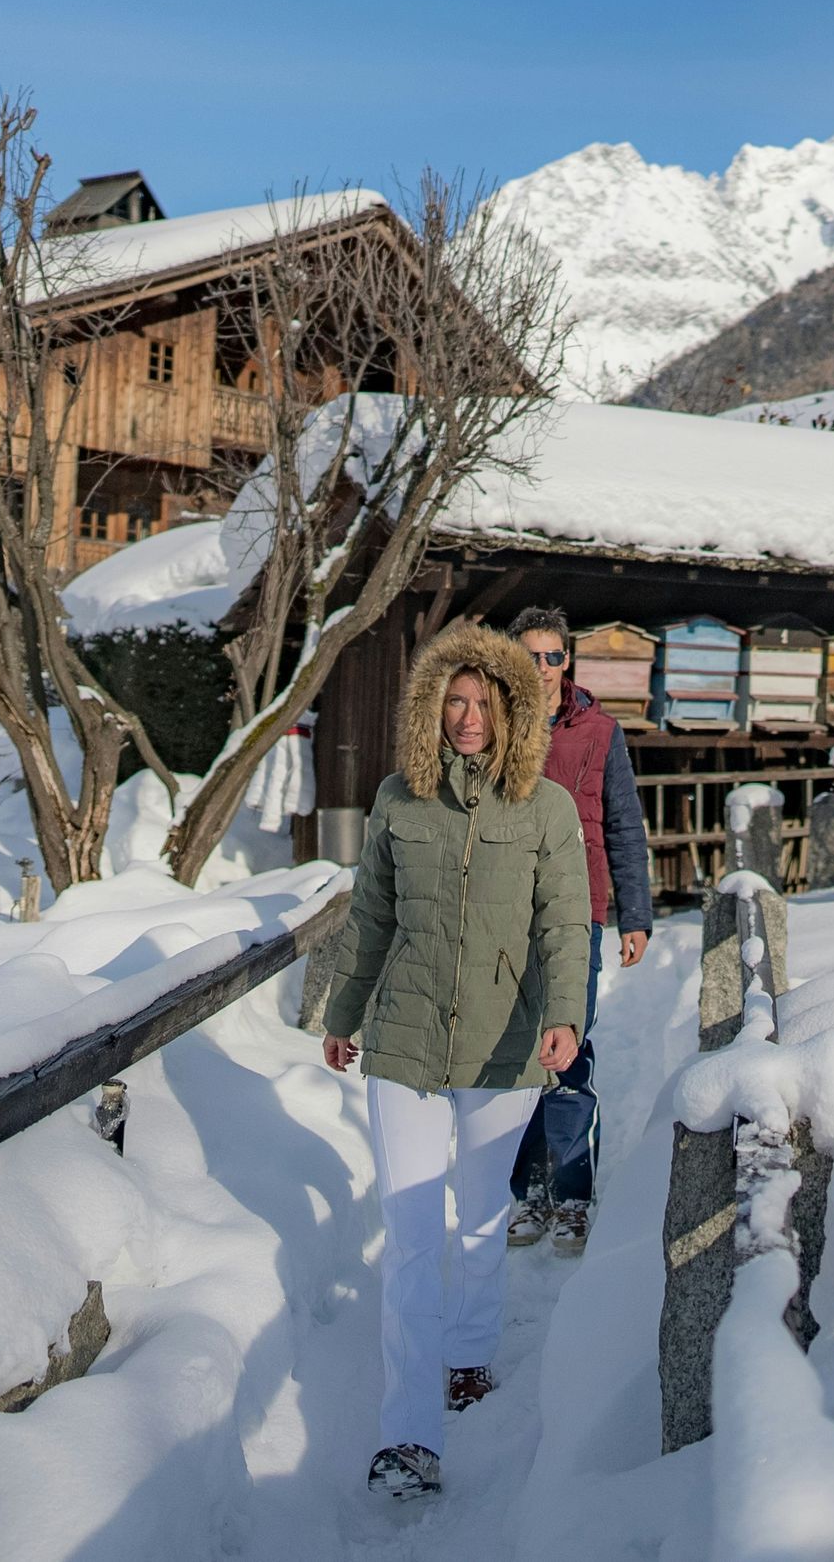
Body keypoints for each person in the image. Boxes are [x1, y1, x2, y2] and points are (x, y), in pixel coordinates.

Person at [319, 620, 589, 1505]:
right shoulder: (401, 799)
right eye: (455, 700)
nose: (468, 716)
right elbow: (369, 919)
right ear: (432, 709)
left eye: (483, 701)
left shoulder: (545, 809)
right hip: (402, 1039)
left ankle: (467, 1356)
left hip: (505, 1045)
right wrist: (344, 1012)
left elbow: (563, 924)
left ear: (513, 711)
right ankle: (408, 1438)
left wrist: (564, 1017)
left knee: (477, 1219)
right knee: (408, 1236)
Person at [503, 606, 654, 1255]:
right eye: (530, 656)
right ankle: (524, 1192)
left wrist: (635, 914)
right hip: (506, 914)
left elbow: (624, 823)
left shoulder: (598, 732)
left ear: (569, 662)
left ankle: (570, 1195)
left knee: (568, 1051)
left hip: (579, 911)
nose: (542, 669)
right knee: (515, 1057)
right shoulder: (492, 728)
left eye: (553, 656)